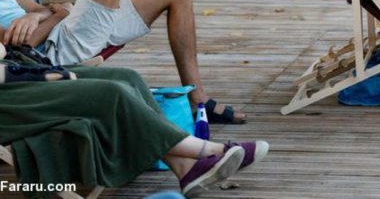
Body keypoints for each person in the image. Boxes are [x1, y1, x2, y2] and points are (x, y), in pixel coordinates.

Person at [0, 0, 247, 124]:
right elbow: (16, 48)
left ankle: (198, 99)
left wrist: (41, 14)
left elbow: (42, 9)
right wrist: (55, 14)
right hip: (50, 53)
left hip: (66, 28)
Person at [0, 44, 268, 197]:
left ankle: (185, 167)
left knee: (128, 77)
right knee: (111, 93)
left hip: (18, 67)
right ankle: (206, 149)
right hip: (9, 95)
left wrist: (40, 15)